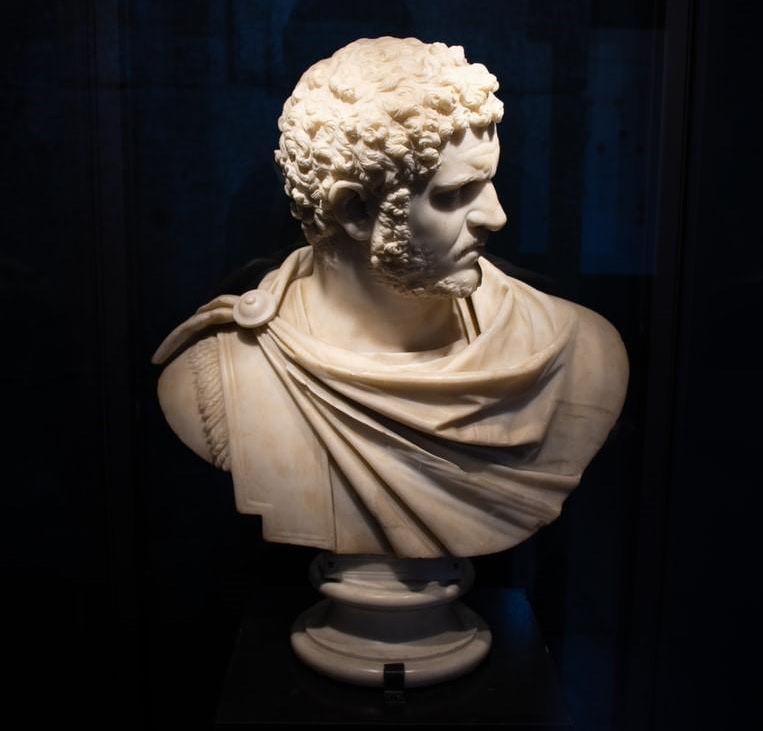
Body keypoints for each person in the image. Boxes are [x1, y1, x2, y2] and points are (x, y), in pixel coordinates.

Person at [153, 37, 628, 558]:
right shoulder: (220, 380)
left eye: (489, 182)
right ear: (356, 211)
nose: (497, 217)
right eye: (452, 195)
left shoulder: (577, 352)